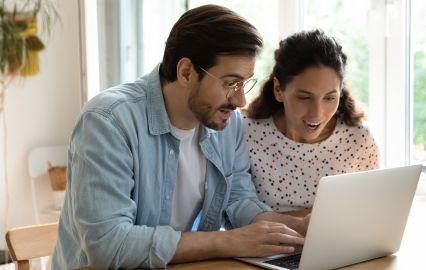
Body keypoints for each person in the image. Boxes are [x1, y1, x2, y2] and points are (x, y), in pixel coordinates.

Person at [52, 5, 308, 270]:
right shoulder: (108, 121)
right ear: (186, 71)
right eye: (231, 83)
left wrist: (295, 226)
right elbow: (108, 245)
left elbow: (237, 200)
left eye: (244, 84)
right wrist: (226, 242)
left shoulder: (226, 123)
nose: (240, 100)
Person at [243, 29, 380, 212]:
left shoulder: (358, 139)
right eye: (304, 97)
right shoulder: (247, 133)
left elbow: (373, 210)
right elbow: (234, 210)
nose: (317, 114)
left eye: (329, 98)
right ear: (278, 89)